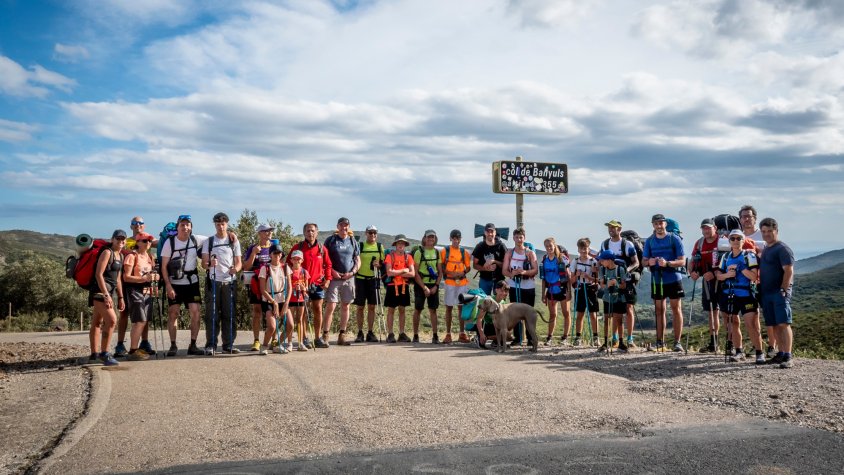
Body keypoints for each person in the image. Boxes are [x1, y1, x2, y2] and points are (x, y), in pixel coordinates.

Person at [715, 230, 764, 363]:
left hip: (746, 294)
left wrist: (741, 268)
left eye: (739, 238)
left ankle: (759, 353)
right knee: (733, 323)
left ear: (743, 241)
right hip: (729, 294)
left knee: (751, 324)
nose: (736, 241)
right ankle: (738, 351)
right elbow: (718, 276)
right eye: (733, 238)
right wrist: (727, 275)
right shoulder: (725, 257)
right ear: (729, 241)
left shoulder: (749, 255)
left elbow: (754, 276)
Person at [160, 214, 205, 356]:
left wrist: (230, 234)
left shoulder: (195, 239)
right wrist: (168, 286)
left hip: (192, 282)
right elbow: (163, 266)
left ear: (191, 227)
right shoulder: (170, 243)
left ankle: (193, 344)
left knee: (196, 312)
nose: (185, 227)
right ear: (178, 226)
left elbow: (215, 238)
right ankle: (173, 345)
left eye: (188, 225)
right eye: (182, 225)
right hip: (175, 283)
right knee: (173, 313)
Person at [643, 214, 686, 352]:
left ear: (665, 224)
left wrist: (667, 263)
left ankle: (677, 342)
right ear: (653, 225)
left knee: (676, 309)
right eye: (656, 224)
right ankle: (660, 341)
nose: (659, 226)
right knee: (659, 310)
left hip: (673, 278)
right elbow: (643, 261)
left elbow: (682, 261)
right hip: (657, 279)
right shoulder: (649, 241)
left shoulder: (674, 239)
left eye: (661, 223)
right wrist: (648, 262)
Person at [201, 212, 242, 354]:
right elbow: (203, 264)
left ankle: (228, 344)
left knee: (229, 314)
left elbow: (238, 262)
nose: (221, 226)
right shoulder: (209, 241)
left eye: (223, 224)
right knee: (212, 314)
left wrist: (235, 269)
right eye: (218, 224)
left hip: (229, 282)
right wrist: (209, 263)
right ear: (215, 225)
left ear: (227, 224)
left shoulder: (233, 241)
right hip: (213, 281)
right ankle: (211, 345)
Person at [114, 216, 154, 357]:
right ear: (131, 226)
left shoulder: (148, 253)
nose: (137, 225)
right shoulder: (125, 242)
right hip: (128, 284)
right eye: (134, 223)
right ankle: (121, 344)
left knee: (144, 316)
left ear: (143, 225)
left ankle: (143, 342)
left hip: (143, 286)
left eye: (140, 223)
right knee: (125, 313)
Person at [288, 223, 333, 348]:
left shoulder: (322, 249)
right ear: (304, 233)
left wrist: (328, 280)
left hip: (318, 285)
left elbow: (328, 265)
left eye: (313, 231)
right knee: (303, 313)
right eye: (308, 231)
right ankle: (304, 339)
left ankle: (318, 338)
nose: (310, 233)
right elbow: (288, 264)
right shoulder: (298, 247)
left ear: (317, 232)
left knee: (318, 310)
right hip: (301, 286)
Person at [758, 218, 795, 369]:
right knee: (775, 325)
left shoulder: (782, 249)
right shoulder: (767, 248)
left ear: (776, 231)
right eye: (764, 231)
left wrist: (783, 290)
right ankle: (781, 353)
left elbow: (789, 270)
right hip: (767, 293)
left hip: (778, 293)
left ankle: (788, 355)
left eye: (769, 231)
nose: (766, 234)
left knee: (783, 323)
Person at [599, 220, 640, 349]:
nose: (611, 229)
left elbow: (636, 262)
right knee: (614, 310)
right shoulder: (605, 244)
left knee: (628, 308)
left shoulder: (627, 244)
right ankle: (615, 338)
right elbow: (602, 262)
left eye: (613, 227)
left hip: (625, 280)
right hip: (610, 282)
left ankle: (629, 338)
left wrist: (626, 271)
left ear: (619, 229)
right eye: (609, 227)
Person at [88, 230, 126, 366]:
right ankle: (105, 354)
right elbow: (99, 274)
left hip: (110, 292)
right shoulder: (107, 252)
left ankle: (94, 354)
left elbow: (118, 279)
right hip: (99, 291)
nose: (121, 241)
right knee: (111, 321)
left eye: (123, 239)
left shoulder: (120, 256)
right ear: (112, 239)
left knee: (97, 322)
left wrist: (121, 297)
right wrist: (106, 295)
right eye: (118, 239)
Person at [323, 217, 361, 346]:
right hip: (334, 277)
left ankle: (342, 335)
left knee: (346, 305)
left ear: (348, 227)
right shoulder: (331, 240)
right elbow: (324, 258)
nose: (344, 227)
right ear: (337, 226)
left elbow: (357, 259)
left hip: (348, 277)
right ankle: (325, 334)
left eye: (346, 225)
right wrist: (332, 271)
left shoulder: (352, 241)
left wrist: (353, 271)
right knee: (331, 305)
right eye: (341, 225)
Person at [121, 232, 157, 361]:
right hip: (134, 289)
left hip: (147, 289)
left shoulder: (150, 256)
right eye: (145, 240)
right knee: (139, 320)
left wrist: (154, 278)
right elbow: (126, 277)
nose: (148, 243)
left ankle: (135, 348)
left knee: (144, 320)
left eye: (149, 241)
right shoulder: (132, 256)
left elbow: (151, 274)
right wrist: (143, 278)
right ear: (138, 242)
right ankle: (133, 351)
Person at [688, 218, 721, 353]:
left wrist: (714, 273)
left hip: (721, 280)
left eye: (708, 228)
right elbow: (692, 260)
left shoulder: (722, 241)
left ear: (715, 228)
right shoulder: (699, 243)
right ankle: (713, 343)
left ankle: (731, 344)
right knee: (711, 312)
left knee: (723, 312)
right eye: (704, 228)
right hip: (706, 280)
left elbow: (727, 259)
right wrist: (692, 273)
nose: (706, 230)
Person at [502, 227, 538, 347]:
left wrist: (523, 273)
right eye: (516, 237)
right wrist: (512, 274)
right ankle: (518, 338)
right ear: (513, 238)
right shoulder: (509, 253)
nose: (519, 239)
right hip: (514, 285)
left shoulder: (530, 253)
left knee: (528, 313)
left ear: (524, 238)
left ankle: (531, 339)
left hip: (528, 287)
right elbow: (504, 271)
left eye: (521, 237)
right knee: (515, 314)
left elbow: (535, 270)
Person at [243, 224, 274, 352]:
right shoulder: (253, 248)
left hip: (271, 283)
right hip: (256, 283)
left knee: (272, 311)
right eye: (266, 231)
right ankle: (256, 340)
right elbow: (246, 267)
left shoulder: (274, 247)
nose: (269, 233)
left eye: (270, 231)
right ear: (260, 233)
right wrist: (254, 254)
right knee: (257, 311)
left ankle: (274, 339)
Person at [354, 225, 385, 343]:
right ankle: (360, 332)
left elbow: (383, 263)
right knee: (360, 307)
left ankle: (370, 332)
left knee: (372, 307)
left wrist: (379, 264)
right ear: (366, 233)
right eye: (370, 233)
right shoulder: (360, 246)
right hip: (361, 279)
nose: (372, 235)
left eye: (374, 233)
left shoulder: (379, 246)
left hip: (374, 279)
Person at [259, 244, 292, 355]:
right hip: (269, 300)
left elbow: (290, 287)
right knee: (272, 327)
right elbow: (262, 290)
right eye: (275, 253)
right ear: (270, 255)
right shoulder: (265, 268)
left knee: (290, 325)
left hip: (282, 299)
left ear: (282, 254)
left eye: (279, 253)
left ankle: (277, 345)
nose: (277, 255)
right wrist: (274, 303)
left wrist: (286, 303)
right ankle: (264, 346)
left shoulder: (286, 267)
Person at [440, 229, 472, 344]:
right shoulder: (445, 251)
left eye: (457, 238)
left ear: (460, 239)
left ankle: (462, 334)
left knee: (461, 308)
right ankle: (448, 334)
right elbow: (441, 266)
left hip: (461, 283)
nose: (455, 240)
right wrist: (449, 273)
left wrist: (462, 273)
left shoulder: (464, 252)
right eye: (453, 238)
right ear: (450, 239)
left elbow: (468, 267)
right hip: (449, 282)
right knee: (449, 308)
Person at [412, 229, 442, 343]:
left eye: (432, 237)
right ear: (424, 238)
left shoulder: (437, 252)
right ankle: (415, 335)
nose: (430, 239)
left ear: (435, 239)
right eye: (429, 237)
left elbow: (440, 272)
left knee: (433, 310)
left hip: (433, 284)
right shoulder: (419, 252)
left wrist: (435, 286)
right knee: (418, 309)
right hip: (421, 284)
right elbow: (415, 273)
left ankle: (435, 336)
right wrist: (424, 287)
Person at [383, 235, 415, 343]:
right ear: (395, 244)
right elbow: (389, 272)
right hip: (392, 286)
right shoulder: (390, 256)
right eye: (399, 243)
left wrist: (398, 272)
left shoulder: (408, 257)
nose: (401, 245)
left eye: (403, 243)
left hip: (404, 286)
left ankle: (401, 333)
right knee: (391, 310)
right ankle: (390, 333)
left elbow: (413, 273)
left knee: (402, 310)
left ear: (405, 245)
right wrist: (404, 271)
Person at [540, 238, 571, 345]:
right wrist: (543, 294)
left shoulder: (561, 259)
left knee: (566, 313)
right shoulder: (544, 260)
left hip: (562, 289)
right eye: (547, 246)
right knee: (552, 314)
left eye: (550, 246)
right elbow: (543, 278)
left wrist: (569, 292)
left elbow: (568, 276)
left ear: (555, 245)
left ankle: (565, 337)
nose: (549, 248)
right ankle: (549, 337)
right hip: (551, 291)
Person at [597, 250, 628, 353]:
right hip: (607, 298)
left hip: (619, 298)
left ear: (609, 260)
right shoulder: (602, 270)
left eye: (602, 260)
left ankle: (621, 343)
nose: (601, 262)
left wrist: (617, 283)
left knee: (619, 320)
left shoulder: (620, 270)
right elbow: (601, 285)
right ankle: (605, 343)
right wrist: (608, 285)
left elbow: (624, 285)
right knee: (606, 320)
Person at [570, 238, 599, 346]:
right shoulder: (575, 261)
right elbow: (571, 280)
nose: (583, 251)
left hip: (590, 288)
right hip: (580, 288)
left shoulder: (593, 261)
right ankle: (578, 337)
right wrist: (576, 275)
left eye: (585, 248)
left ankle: (596, 337)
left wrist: (588, 277)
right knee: (580, 314)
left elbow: (597, 281)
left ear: (588, 248)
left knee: (593, 314)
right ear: (578, 249)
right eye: (581, 249)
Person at [472, 223, 507, 295]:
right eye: (488, 231)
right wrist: (485, 268)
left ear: (495, 232)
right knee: (483, 302)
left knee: (499, 304)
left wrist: (494, 262)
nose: (490, 234)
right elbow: (475, 265)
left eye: (492, 231)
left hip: (499, 280)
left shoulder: (501, 246)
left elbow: (506, 265)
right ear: (484, 232)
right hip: (484, 279)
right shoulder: (480, 246)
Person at [475, 280, 510, 349]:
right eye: (502, 290)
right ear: (496, 290)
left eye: (506, 291)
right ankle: (480, 337)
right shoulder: (488, 300)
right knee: (482, 344)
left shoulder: (503, 302)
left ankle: (495, 341)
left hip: (495, 325)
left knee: (509, 335)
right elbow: (479, 318)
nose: (504, 293)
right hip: (485, 325)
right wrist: (482, 334)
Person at [287, 250, 311, 351]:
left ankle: (300, 343)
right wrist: (294, 286)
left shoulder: (304, 272)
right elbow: (286, 286)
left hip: (301, 298)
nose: (296, 260)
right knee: (290, 321)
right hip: (291, 298)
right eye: (294, 258)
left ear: (302, 260)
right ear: (291, 260)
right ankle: (290, 343)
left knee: (300, 320)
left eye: (298, 259)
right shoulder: (288, 271)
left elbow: (307, 287)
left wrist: (303, 288)